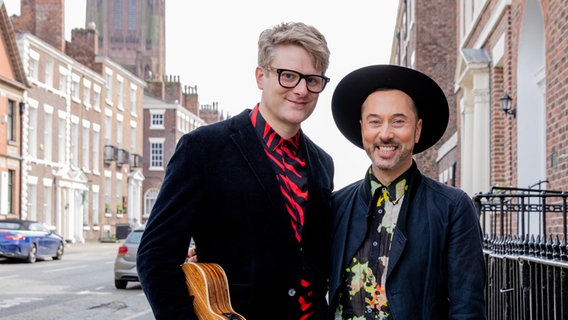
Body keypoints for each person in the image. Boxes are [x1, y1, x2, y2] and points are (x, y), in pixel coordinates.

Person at [137, 22, 334, 320]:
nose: (301, 89)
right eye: (288, 76)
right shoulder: (203, 148)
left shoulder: (322, 162)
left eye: (313, 79)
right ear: (261, 76)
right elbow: (155, 256)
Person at [328, 65, 486, 319]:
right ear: (362, 129)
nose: (386, 133)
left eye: (398, 121)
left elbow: (467, 307)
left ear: (418, 129)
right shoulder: (337, 205)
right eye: (375, 122)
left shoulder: (453, 207)